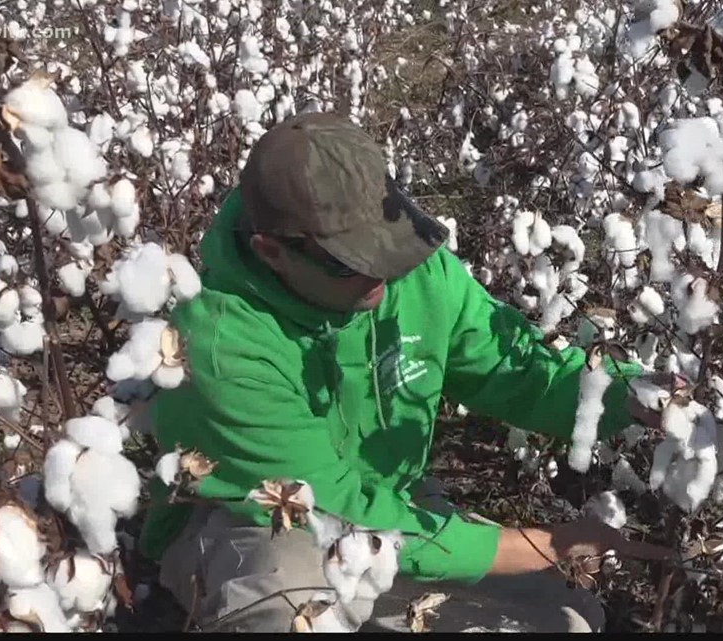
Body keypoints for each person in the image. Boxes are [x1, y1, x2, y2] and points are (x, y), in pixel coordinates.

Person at [137, 111, 674, 633]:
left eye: (388, 244)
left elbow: (514, 368)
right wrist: (543, 545)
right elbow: (340, 512)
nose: (383, 275)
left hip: (391, 507)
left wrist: (630, 395)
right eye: (350, 261)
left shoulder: (411, 273)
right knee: (299, 611)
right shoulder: (222, 344)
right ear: (272, 251)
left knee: (570, 619)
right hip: (257, 525)